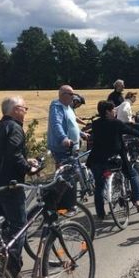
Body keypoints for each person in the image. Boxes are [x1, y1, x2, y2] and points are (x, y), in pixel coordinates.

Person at [0, 96, 40, 276]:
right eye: (25, 108)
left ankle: (1, 259)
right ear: (16, 109)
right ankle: (13, 268)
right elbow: (14, 155)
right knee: (19, 226)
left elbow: (4, 154)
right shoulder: (15, 128)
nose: (26, 112)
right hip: (10, 185)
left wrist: (25, 160)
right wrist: (29, 168)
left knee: (3, 226)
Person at [86, 100, 139, 220]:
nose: (115, 111)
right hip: (114, 159)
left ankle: (100, 214)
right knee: (133, 174)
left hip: (96, 159)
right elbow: (130, 130)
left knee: (99, 186)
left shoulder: (96, 124)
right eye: (113, 109)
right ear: (107, 112)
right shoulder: (116, 123)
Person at [46, 85, 81, 213]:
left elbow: (73, 124)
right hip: (63, 148)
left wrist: (82, 134)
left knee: (71, 175)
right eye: (71, 94)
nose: (74, 96)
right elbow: (56, 124)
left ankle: (66, 203)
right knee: (67, 177)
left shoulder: (68, 107)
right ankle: (63, 205)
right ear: (63, 95)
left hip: (73, 147)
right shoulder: (57, 107)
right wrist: (63, 139)